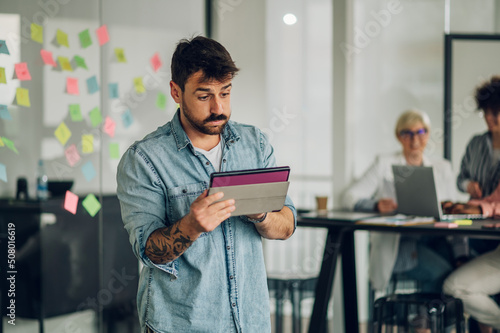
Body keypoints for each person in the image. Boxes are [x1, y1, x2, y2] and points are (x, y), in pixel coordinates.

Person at [116, 36, 296, 333]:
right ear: (176, 91)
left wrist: (260, 214)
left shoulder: (255, 145)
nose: (218, 107)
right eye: (204, 96)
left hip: (249, 323)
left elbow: (287, 224)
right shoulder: (144, 160)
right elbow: (149, 251)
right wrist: (191, 226)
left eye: (225, 93)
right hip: (182, 325)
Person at [341, 109, 459, 293]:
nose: (415, 140)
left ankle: (432, 320)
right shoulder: (383, 163)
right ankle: (421, 321)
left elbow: (455, 208)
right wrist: (376, 205)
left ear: (428, 134)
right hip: (400, 246)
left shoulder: (442, 167)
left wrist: (448, 207)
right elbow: (349, 197)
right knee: (443, 274)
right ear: (398, 136)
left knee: (459, 271)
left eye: (420, 132)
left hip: (437, 240)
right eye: (407, 133)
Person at [443, 76, 500, 333]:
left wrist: (479, 208)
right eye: (489, 113)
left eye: (498, 113)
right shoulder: (477, 144)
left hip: (490, 227)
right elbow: (489, 197)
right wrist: (470, 200)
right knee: (459, 274)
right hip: (481, 229)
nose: (493, 119)